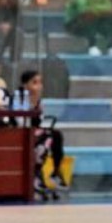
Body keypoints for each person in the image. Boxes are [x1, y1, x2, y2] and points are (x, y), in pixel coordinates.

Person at [19, 69, 69, 199]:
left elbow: (40, 122)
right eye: (34, 82)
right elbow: (20, 122)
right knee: (47, 137)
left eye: (40, 82)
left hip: (35, 132)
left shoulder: (39, 101)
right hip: (21, 134)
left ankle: (55, 172)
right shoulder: (19, 99)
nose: (39, 86)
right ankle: (35, 176)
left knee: (56, 135)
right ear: (25, 85)